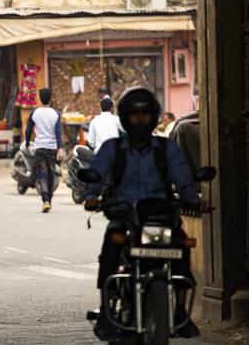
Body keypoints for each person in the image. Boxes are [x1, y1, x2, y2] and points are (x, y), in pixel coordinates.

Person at [84, 88, 205, 340]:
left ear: (154, 117)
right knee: (111, 247)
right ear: (126, 117)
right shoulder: (111, 148)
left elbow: (183, 179)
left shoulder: (166, 148)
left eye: (145, 114)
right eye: (135, 114)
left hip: (160, 217)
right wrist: (92, 196)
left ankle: (181, 313)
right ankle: (107, 310)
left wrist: (194, 199)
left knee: (182, 247)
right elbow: (96, 174)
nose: (140, 119)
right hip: (125, 217)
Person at [25, 88, 63, 213]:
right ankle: (49, 201)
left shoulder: (35, 113)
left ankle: (45, 200)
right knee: (51, 174)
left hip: (40, 147)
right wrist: (60, 148)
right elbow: (58, 132)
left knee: (42, 174)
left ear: (40, 99)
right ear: (51, 99)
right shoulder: (56, 114)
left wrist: (26, 142)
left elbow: (29, 130)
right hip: (52, 148)